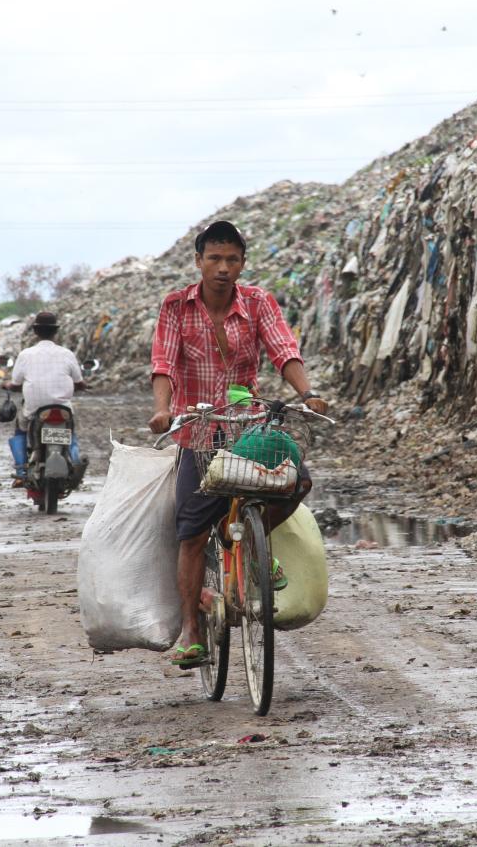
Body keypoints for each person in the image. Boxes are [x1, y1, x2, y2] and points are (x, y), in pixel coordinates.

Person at [148, 220, 329, 669]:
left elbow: (283, 349)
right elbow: (163, 362)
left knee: (296, 482)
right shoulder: (176, 306)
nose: (223, 268)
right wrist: (162, 409)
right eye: (215, 259)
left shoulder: (258, 302)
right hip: (197, 431)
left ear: (242, 263)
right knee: (189, 534)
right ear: (198, 262)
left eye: (232, 259)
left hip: (249, 428)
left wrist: (307, 393)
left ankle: (255, 544)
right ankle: (192, 634)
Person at [2, 311, 86, 479]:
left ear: (35, 331)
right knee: (71, 433)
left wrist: (6, 385)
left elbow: (16, 384)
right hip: (63, 409)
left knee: (20, 430)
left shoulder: (25, 355)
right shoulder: (67, 354)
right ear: (55, 332)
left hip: (33, 410)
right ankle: (76, 462)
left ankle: (21, 470)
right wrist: (83, 386)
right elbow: (79, 382)